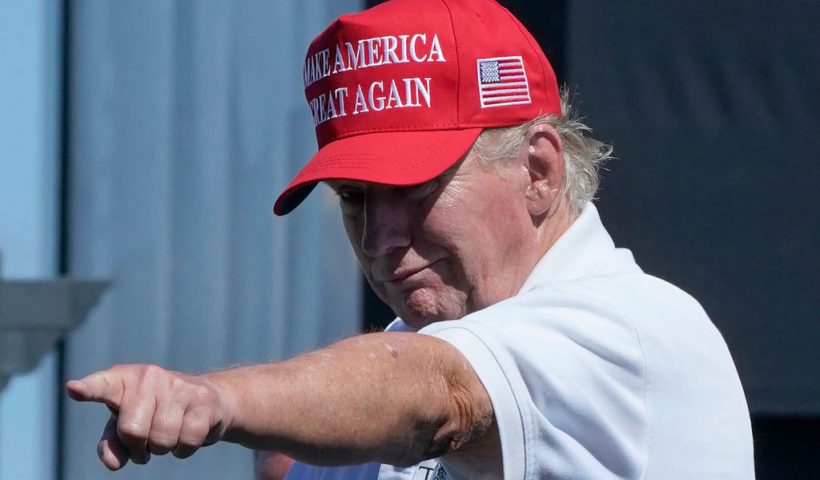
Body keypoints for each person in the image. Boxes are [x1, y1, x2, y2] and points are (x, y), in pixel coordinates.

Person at [66, 0, 755, 478]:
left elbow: (437, 395)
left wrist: (221, 402)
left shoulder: (626, 326)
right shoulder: (385, 382)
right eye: (354, 200)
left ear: (538, 171)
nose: (381, 237)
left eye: (416, 188)